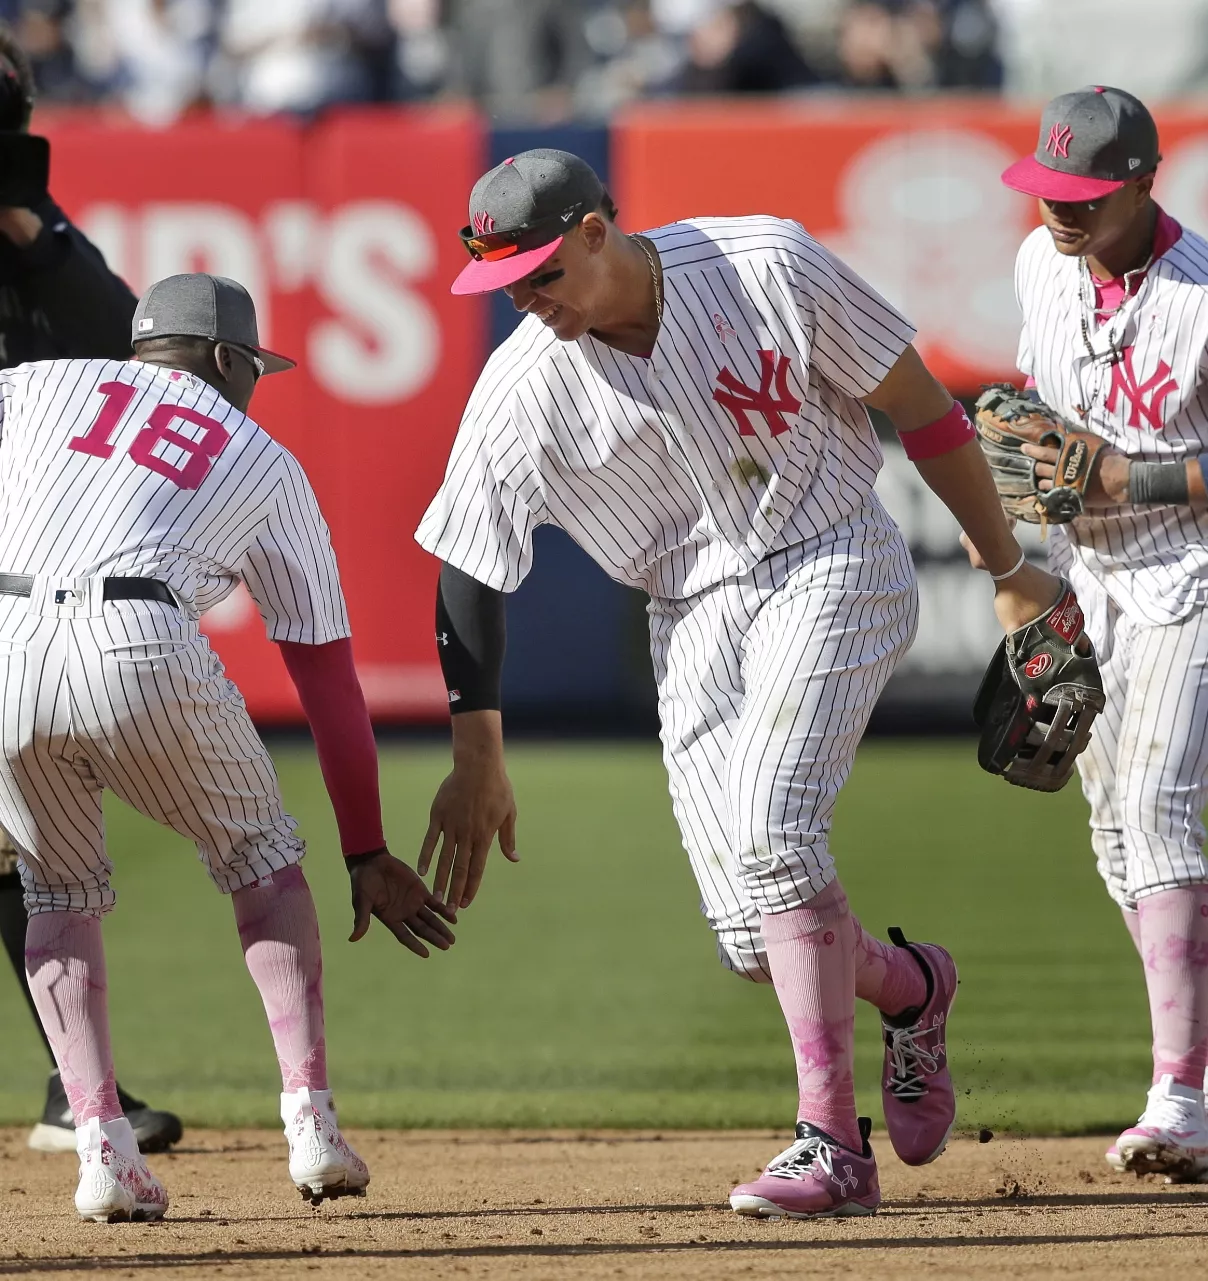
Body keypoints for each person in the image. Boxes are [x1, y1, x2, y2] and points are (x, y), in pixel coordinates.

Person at [415, 148, 1079, 1218]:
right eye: (504, 286)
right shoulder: (523, 384)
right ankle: (913, 988)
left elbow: (919, 406)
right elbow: (466, 565)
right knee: (746, 938)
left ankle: (830, 1145)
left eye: (538, 274)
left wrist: (1006, 570)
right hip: (690, 615)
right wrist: (475, 754)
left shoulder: (762, 262)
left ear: (594, 231)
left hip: (832, 555)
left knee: (773, 833)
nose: (525, 304)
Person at [0, 273, 455, 1222]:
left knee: (56, 893)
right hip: (139, 637)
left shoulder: (36, 384)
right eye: (254, 368)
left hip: (3, 644)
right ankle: (312, 1125)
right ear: (225, 360)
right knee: (259, 859)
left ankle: (101, 1150)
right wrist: (365, 848)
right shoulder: (263, 456)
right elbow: (327, 680)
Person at [991, 86, 1208, 1180]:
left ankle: (1178, 1096)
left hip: (1192, 575)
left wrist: (1132, 473)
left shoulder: (1200, 296)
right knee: (1114, 841)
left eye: (1082, 195)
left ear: (1140, 180)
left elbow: (1125, 468)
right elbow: (1038, 431)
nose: (1060, 214)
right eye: (1047, 191)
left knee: (1156, 812)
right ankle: (1194, 1069)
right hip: (1093, 575)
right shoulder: (1041, 267)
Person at [0, 23, 182, 1156]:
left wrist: (30, 232)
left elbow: (122, 340)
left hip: (19, 569)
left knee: (20, 842)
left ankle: (80, 1093)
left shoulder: (37, 238)